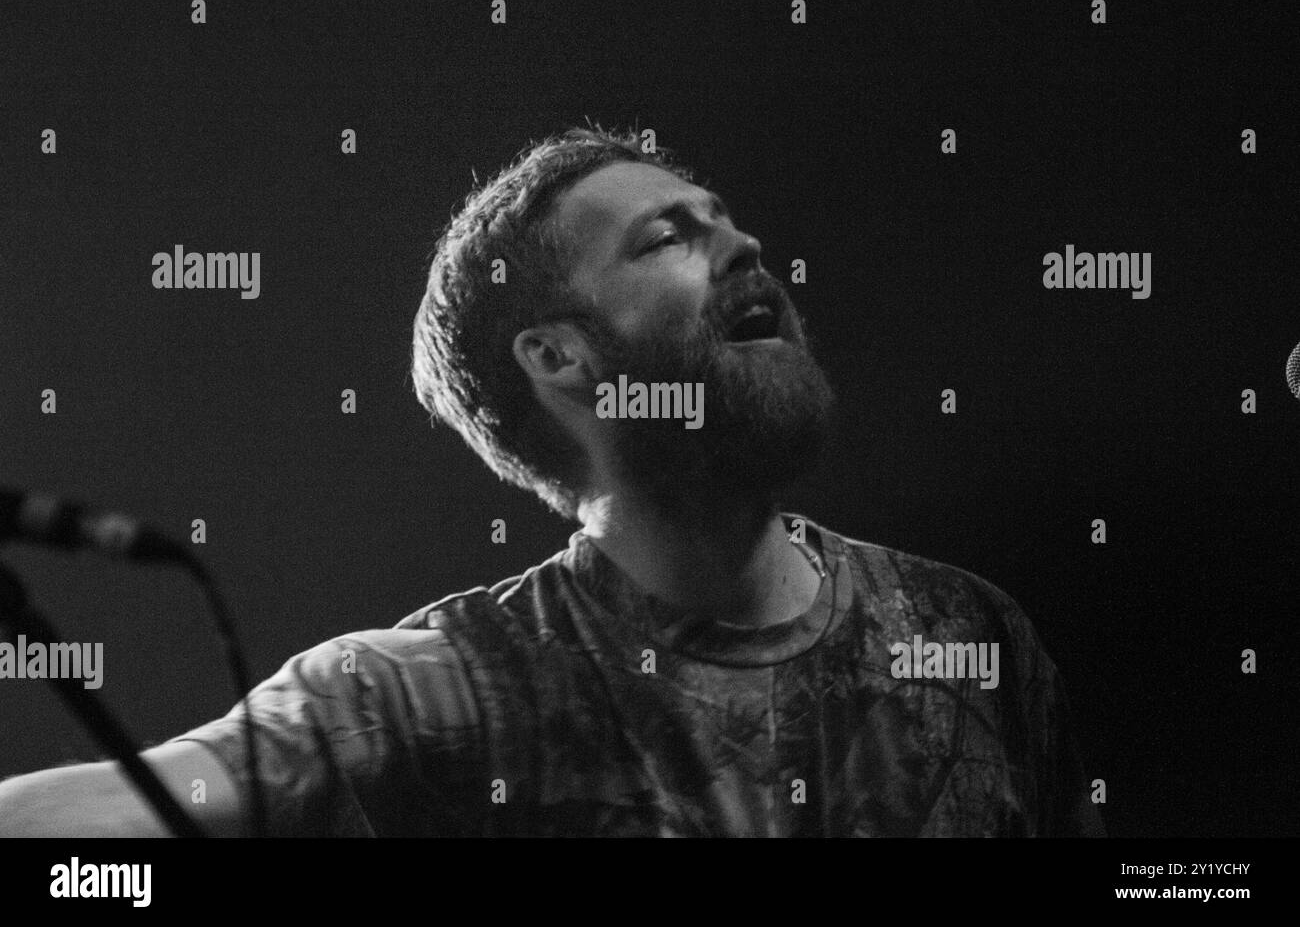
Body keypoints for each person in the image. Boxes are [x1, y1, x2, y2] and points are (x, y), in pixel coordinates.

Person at [0, 128, 1104, 837]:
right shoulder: (435, 691)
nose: (743, 244)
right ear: (560, 359)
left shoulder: (968, 630)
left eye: (725, 218)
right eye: (669, 235)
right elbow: (123, 815)